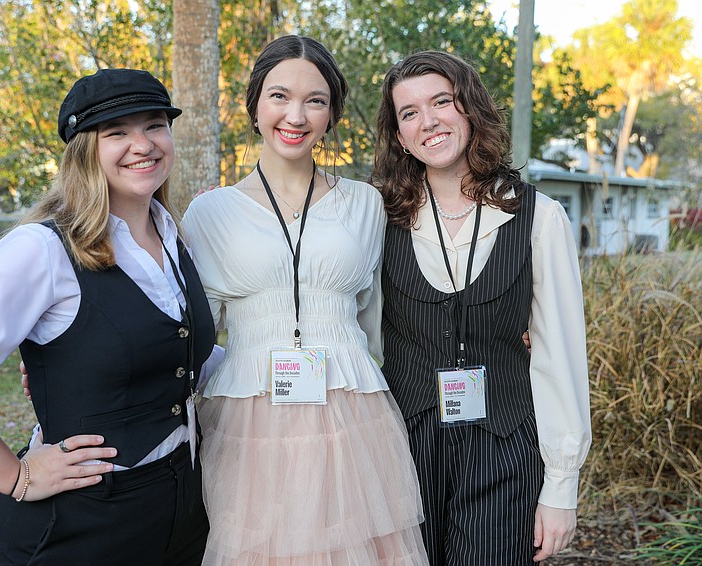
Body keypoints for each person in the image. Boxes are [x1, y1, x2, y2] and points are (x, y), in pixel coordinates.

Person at [0, 69, 216, 565]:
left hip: (181, 510)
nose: (143, 144)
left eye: (155, 124)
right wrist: (16, 476)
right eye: (116, 132)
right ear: (85, 151)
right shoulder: (43, 249)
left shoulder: (173, 236)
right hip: (82, 524)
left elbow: (179, 353)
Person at [181, 35, 430, 565]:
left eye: (314, 100)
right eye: (279, 96)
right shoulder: (209, 214)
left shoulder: (366, 204)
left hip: (352, 414)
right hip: (250, 421)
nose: (295, 115)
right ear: (254, 105)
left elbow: (383, 320)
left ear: (332, 112)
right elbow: (190, 335)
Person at [371, 50, 591, 564]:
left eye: (441, 101)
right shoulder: (376, 219)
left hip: (506, 455)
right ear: (400, 135)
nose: (429, 121)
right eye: (409, 113)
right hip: (404, 453)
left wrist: (560, 488)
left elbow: (560, 356)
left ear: (469, 108)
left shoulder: (540, 217)